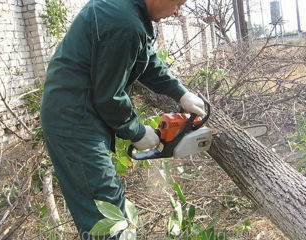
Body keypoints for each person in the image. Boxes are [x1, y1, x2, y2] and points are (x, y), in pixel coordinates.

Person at [40, 0, 205, 239]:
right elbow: (109, 96)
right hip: (73, 120)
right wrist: (137, 132)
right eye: (178, 3)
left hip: (75, 111)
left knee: (105, 203)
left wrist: (180, 92)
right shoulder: (124, 22)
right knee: (105, 211)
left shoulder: (127, 10)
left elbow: (146, 60)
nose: (178, 11)